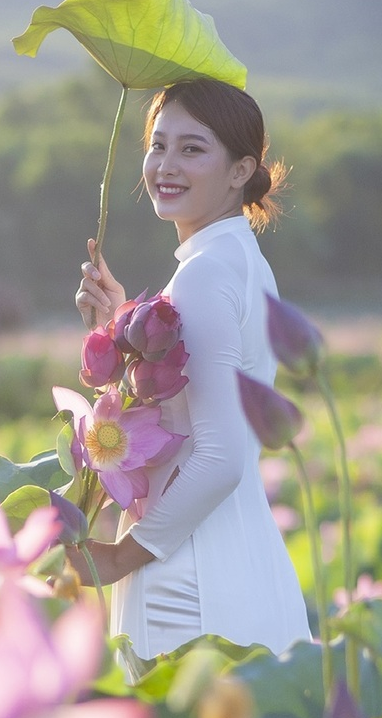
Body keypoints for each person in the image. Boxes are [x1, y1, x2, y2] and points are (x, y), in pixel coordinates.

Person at [70, 77, 311, 662]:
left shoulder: (204, 275)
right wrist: (117, 331)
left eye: (192, 148)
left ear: (239, 170)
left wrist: (120, 556)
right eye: (158, 145)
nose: (165, 165)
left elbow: (219, 457)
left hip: (187, 581)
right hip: (244, 560)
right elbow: (187, 412)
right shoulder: (243, 263)